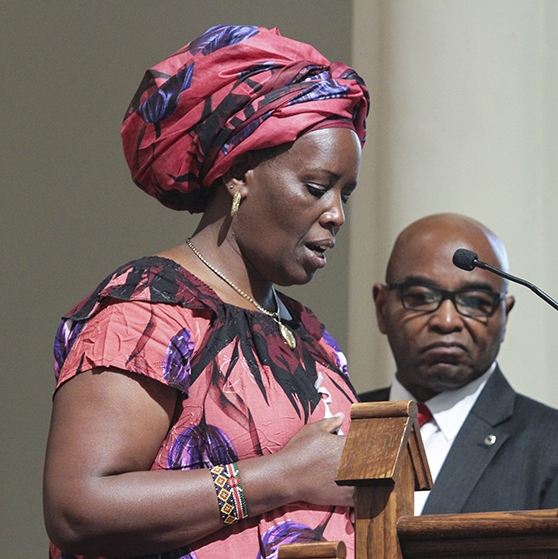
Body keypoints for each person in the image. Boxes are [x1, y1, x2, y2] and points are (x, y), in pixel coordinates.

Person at [43, 25, 369, 559]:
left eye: (345, 196)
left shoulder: (311, 336)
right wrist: (280, 477)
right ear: (239, 174)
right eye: (316, 187)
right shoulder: (148, 311)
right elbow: (79, 508)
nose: (334, 214)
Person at [363, 213, 558, 515]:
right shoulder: (338, 424)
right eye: (421, 297)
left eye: (474, 301)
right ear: (382, 308)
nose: (447, 321)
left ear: (504, 316)